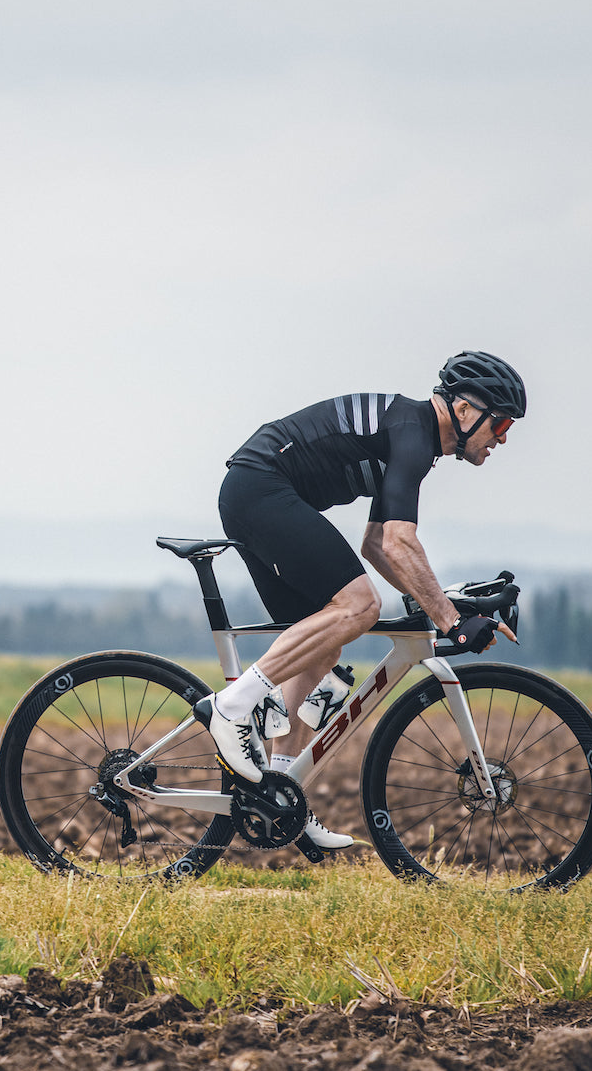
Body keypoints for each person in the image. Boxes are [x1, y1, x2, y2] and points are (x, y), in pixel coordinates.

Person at [194, 350, 525, 853]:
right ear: (463, 411)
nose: (502, 437)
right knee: (358, 607)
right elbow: (398, 543)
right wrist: (452, 620)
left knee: (325, 642)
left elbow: (376, 545)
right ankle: (231, 707)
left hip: (259, 490)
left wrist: (436, 603)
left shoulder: (414, 441)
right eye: (500, 422)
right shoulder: (413, 433)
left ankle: (281, 795)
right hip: (261, 486)